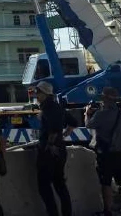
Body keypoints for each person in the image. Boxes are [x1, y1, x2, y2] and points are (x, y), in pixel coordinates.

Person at [86, 87, 121, 216]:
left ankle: (107, 211)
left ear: (105, 100)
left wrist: (87, 113)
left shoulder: (101, 114)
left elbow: (89, 125)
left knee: (106, 183)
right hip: (120, 153)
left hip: (106, 154)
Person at [34, 80, 75, 216]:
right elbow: (73, 122)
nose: (36, 95)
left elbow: (54, 129)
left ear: (45, 94)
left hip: (49, 151)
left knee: (44, 185)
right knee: (59, 183)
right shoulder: (57, 107)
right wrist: (66, 133)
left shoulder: (48, 108)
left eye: (38, 92)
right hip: (60, 149)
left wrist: (51, 145)